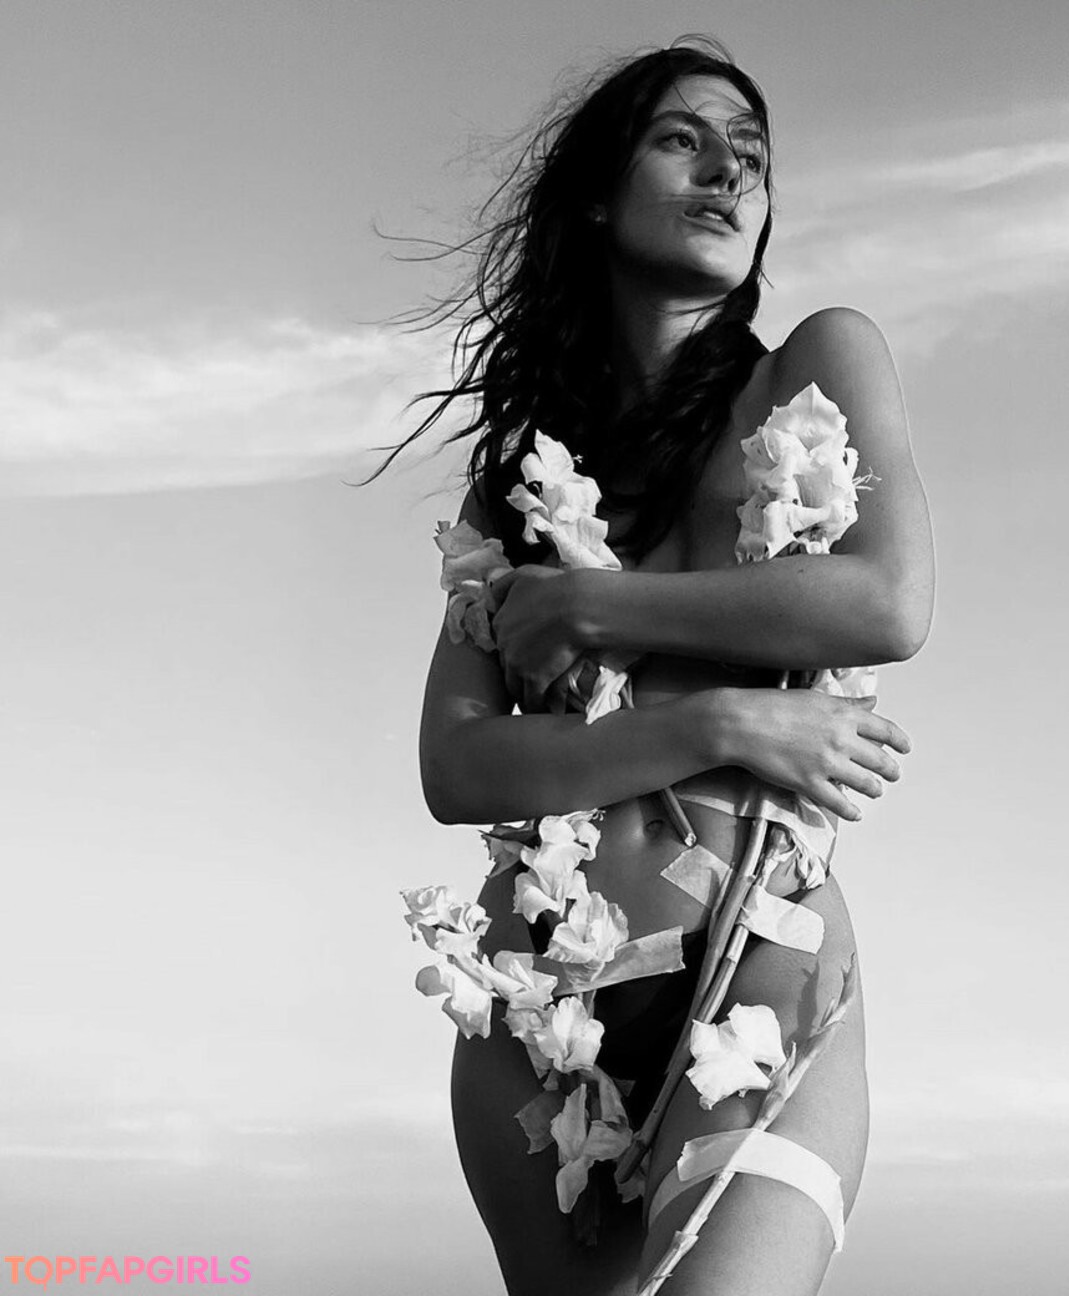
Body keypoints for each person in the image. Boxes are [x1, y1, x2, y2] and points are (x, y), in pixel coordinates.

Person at [387, 36, 934, 1296]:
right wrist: (718, 725)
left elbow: (887, 602)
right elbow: (457, 766)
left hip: (760, 954)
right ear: (596, 193)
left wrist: (593, 604)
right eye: (684, 140)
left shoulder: (818, 364)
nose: (729, 174)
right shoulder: (519, 486)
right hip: (542, 1006)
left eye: (751, 155)